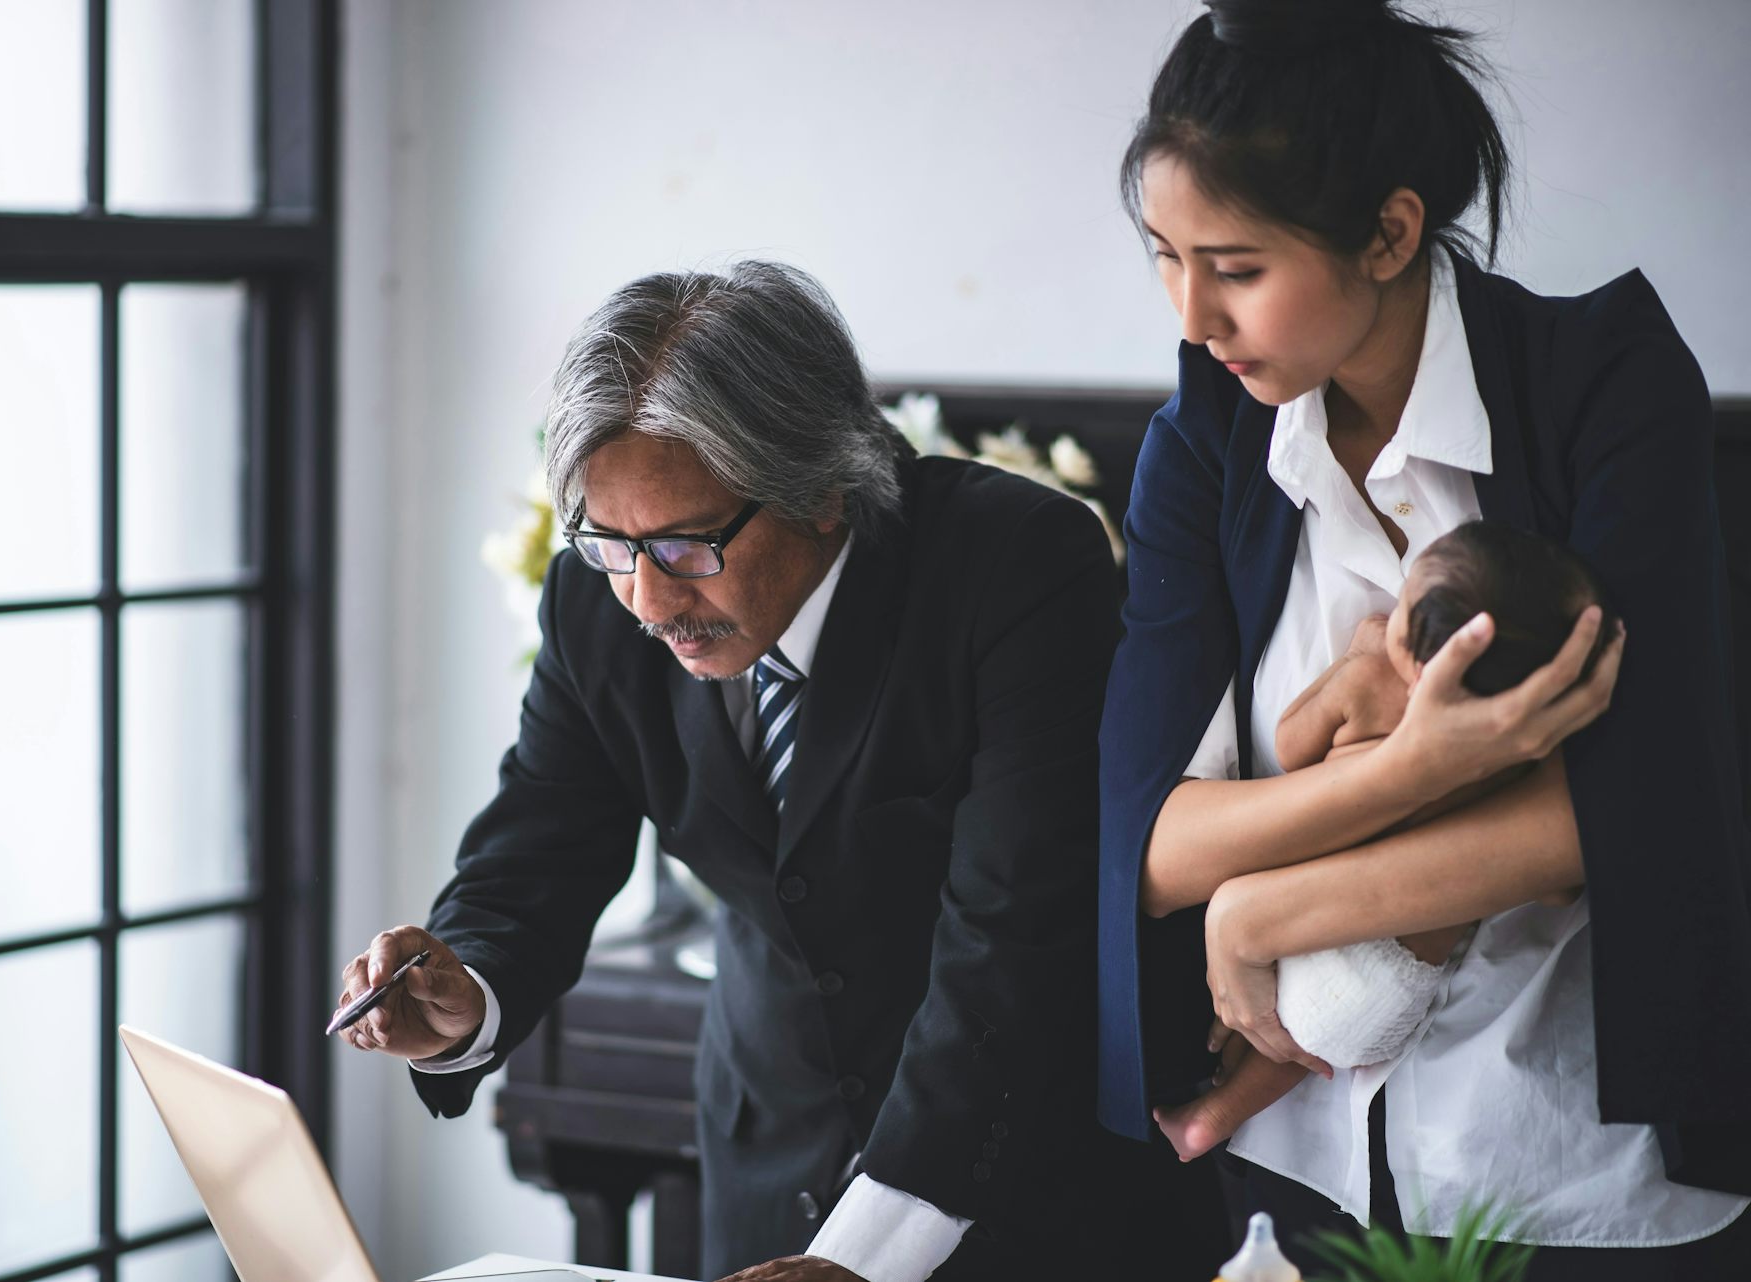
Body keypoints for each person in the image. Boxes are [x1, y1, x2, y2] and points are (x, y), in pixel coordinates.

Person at [336, 262, 1224, 1281]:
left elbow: (1016, 935)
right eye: (611, 543)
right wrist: (467, 988)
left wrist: (859, 1252)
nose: (647, 600)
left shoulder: (1013, 565)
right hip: (770, 1176)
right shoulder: (600, 602)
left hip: (1025, 1198)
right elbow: (542, 835)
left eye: (685, 546)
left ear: (821, 491)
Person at [1095, 1, 1751, 1277]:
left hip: (1582, 1179)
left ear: (1391, 233)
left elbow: (1636, 810)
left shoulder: (1602, 389)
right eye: (1164, 254)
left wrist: (1265, 909)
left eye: (1235, 268)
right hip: (1305, 1177)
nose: (1191, 316)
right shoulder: (1207, 444)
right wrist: (1415, 768)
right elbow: (1156, 844)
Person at [1154, 520, 1618, 1162]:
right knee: (1309, 1042)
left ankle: (1210, 1113)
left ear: (1409, 639)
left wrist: (1351, 662)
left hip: (1305, 919)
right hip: (1395, 984)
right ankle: (1214, 1116)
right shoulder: (1523, 746)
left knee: (1279, 1026)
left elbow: (1292, 745)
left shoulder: (1372, 680)